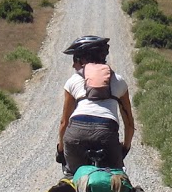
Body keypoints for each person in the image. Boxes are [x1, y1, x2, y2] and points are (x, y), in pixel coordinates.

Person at [55, 35, 135, 174]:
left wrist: (61, 150)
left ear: (83, 59)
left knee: (71, 178)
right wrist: (125, 147)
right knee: (117, 182)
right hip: (107, 134)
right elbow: (129, 123)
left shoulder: (73, 81)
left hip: (76, 134)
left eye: (75, 59)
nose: (73, 65)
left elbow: (64, 122)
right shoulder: (119, 81)